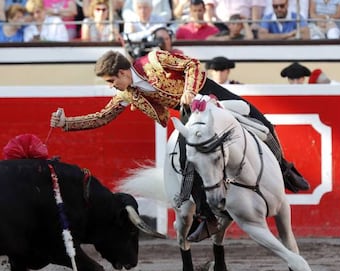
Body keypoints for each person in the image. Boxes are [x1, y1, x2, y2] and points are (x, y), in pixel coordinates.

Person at [50, 50, 310, 241]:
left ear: (121, 72)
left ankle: (284, 169)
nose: (112, 86)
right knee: (190, 159)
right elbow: (103, 116)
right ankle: (207, 215)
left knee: (262, 123)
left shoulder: (153, 61)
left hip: (210, 94)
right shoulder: (127, 93)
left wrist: (188, 91)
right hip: (191, 116)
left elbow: (192, 66)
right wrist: (67, 123)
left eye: (111, 81)